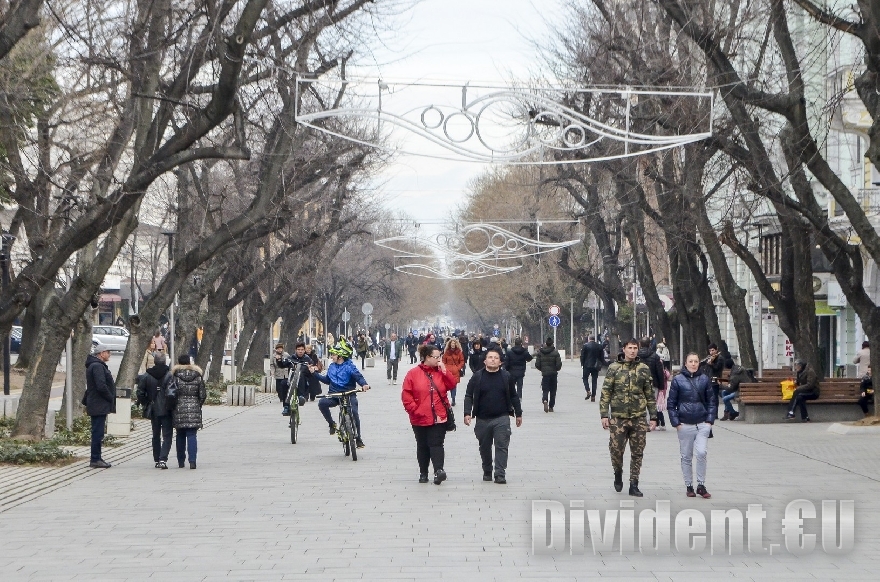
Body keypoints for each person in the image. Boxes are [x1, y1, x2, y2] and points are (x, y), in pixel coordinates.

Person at [599, 338, 657, 497]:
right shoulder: (614, 368)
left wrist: (653, 416)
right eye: (630, 347)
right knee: (616, 450)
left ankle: (634, 484)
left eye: (635, 348)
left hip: (638, 417)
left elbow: (649, 394)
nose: (633, 351)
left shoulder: (643, 369)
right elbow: (606, 393)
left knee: (637, 452)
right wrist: (604, 414)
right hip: (618, 418)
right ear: (624, 349)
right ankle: (618, 473)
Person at [463, 347, 523, 484]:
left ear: (500, 362)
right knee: (484, 447)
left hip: (501, 418)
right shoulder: (477, 377)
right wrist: (467, 413)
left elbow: (514, 396)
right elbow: (468, 396)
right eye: (490, 357)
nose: (493, 360)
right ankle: (487, 470)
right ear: (485, 361)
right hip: (482, 419)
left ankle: (500, 473)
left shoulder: (506, 376)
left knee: (502, 446)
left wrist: (518, 413)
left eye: (496, 358)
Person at [402, 344, 457, 484]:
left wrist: (445, 371)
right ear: (427, 357)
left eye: (440, 357)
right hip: (419, 417)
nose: (439, 360)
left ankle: (439, 470)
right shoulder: (413, 374)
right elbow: (406, 395)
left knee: (436, 443)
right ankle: (423, 473)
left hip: (439, 416)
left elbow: (452, 385)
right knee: (422, 445)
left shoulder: (440, 372)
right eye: (436, 357)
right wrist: (415, 410)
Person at [667, 352, 717, 499]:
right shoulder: (678, 380)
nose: (694, 364)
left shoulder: (704, 379)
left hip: (702, 423)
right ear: (686, 363)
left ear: (699, 363)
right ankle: (689, 485)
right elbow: (671, 404)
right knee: (686, 456)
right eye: (691, 361)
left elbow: (711, 402)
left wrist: (709, 421)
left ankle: (701, 484)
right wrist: (676, 423)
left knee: (701, 453)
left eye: (696, 361)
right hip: (685, 424)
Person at [313, 338, 371, 448]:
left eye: (333, 355)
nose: (331, 356)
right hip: (334, 395)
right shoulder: (331, 366)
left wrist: (364, 384)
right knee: (322, 403)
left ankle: (358, 438)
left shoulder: (349, 366)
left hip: (349, 394)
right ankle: (331, 424)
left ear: (340, 356)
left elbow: (358, 376)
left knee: (354, 412)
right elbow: (327, 380)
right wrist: (315, 374)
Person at [136, 352, 173, 469]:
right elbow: (173, 393)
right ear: (165, 362)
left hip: (153, 409)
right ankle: (163, 458)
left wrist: (146, 402)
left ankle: (157, 458)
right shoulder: (169, 375)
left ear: (154, 361)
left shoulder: (147, 375)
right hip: (166, 409)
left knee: (155, 434)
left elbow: (140, 392)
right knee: (167, 435)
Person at [83, 343, 117, 468]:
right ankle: (95, 458)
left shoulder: (97, 365)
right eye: (108, 352)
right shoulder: (97, 366)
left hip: (98, 403)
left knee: (98, 432)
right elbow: (101, 385)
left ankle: (97, 457)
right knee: (97, 432)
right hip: (98, 404)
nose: (109, 354)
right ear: (101, 353)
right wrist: (110, 397)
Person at [172, 354, 206, 469]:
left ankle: (181, 461)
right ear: (189, 363)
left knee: (180, 435)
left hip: (178, 407)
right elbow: (202, 395)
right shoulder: (197, 376)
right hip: (194, 408)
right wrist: (197, 404)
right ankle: (192, 461)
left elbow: (171, 393)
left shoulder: (175, 376)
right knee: (192, 435)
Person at [638, 338, 667, 429]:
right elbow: (660, 372)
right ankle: (652, 421)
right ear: (650, 344)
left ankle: (643, 422)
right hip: (653, 383)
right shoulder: (655, 356)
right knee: (652, 403)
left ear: (640, 344)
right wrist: (661, 385)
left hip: (638, 383)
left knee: (640, 402)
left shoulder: (636, 356)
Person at [534, 337, 562, 413]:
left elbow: (537, 364)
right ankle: (551, 406)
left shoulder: (541, 353)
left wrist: (542, 369)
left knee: (545, 389)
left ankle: (545, 399)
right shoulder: (555, 353)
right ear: (552, 344)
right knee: (553, 390)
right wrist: (556, 369)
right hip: (553, 374)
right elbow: (559, 364)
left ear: (546, 344)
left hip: (545, 374)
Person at [504, 337, 533, 401]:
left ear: (515, 343)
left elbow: (507, 362)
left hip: (511, 371)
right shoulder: (524, 351)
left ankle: (511, 398)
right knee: (519, 386)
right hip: (521, 371)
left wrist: (506, 370)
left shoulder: (510, 352)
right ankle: (519, 398)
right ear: (521, 343)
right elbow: (529, 358)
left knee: (511, 386)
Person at [287, 342, 314, 409]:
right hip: (292, 379)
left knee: (301, 375)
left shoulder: (307, 359)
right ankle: (286, 407)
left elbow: (311, 370)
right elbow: (283, 364)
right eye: (298, 349)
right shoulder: (291, 358)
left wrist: (310, 369)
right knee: (283, 384)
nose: (300, 351)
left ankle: (301, 397)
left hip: (303, 380)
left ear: (304, 350)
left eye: (302, 350)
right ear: (296, 350)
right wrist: (280, 361)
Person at [269, 343, 293, 414]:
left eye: (281, 348)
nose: (279, 350)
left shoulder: (286, 355)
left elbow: (290, 362)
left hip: (285, 373)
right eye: (278, 349)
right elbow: (272, 365)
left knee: (284, 385)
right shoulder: (273, 356)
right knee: (278, 386)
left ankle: (284, 396)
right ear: (276, 349)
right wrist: (272, 372)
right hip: (278, 372)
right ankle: (281, 396)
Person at [442, 338, 466, 406]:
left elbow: (462, 361)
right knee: (449, 385)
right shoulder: (446, 352)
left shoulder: (459, 352)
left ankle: (453, 399)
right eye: (452, 343)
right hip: (448, 371)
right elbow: (444, 361)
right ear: (449, 344)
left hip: (456, 371)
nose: (453, 345)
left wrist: (458, 368)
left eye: (454, 343)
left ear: (456, 344)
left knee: (454, 385)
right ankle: (448, 398)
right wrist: (446, 367)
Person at [580, 335, 604, 402]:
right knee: (594, 381)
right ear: (594, 339)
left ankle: (588, 390)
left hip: (587, 365)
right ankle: (593, 396)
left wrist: (582, 364)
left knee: (585, 378)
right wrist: (602, 364)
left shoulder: (585, 346)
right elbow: (602, 357)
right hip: (595, 366)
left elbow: (582, 356)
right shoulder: (599, 346)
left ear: (589, 339)